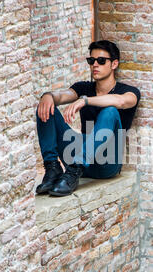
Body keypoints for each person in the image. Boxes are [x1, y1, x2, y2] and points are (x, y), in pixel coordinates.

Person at [36, 40, 141, 197]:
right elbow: (62, 95)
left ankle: (74, 170)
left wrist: (85, 101)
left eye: (101, 61)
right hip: (77, 156)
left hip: (107, 162)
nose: (95, 65)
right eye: (91, 61)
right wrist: (47, 96)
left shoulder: (128, 91)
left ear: (114, 64)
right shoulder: (83, 88)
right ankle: (52, 169)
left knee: (110, 111)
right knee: (46, 107)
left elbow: (120, 101)